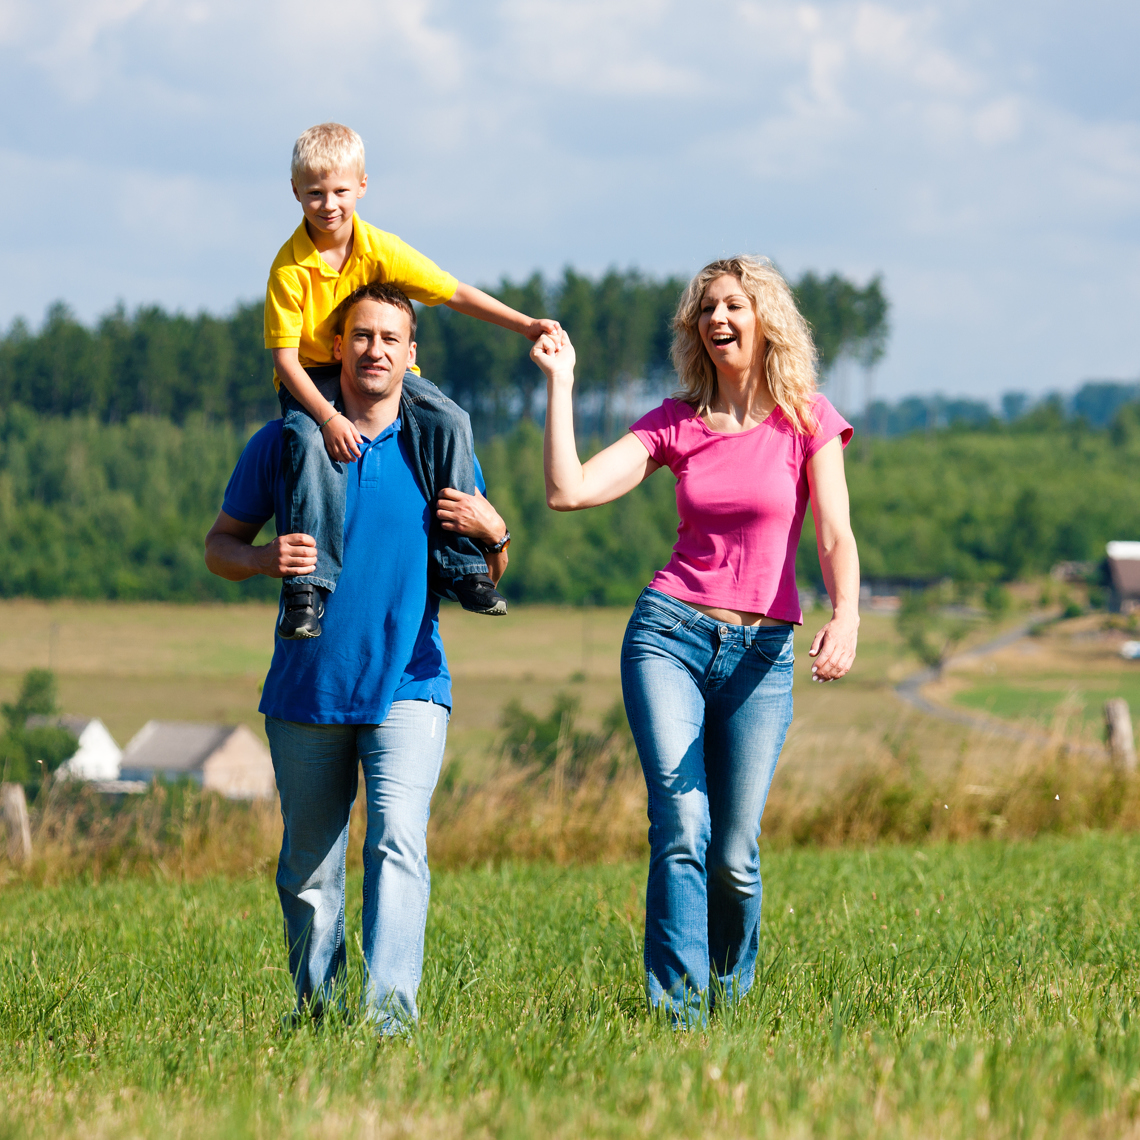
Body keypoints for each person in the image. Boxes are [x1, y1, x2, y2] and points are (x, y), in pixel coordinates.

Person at [531, 255, 860, 1024]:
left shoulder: (807, 418)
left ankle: (729, 997)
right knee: (681, 823)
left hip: (760, 655)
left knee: (735, 857)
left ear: (765, 319)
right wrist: (561, 383)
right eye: (706, 310)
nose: (717, 319)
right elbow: (568, 490)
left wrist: (845, 614)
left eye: (733, 306)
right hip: (669, 635)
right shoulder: (674, 423)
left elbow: (836, 534)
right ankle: (679, 1016)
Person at [205, 282, 511, 1033]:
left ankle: (387, 1025)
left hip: (412, 679)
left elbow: (483, 570)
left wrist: (497, 532)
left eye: (390, 339)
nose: (375, 350)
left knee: (397, 842)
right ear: (336, 348)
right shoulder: (282, 444)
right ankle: (315, 1017)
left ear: (413, 356)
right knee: (308, 871)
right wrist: (262, 559)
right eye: (361, 336)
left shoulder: (436, 443)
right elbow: (218, 548)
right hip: (308, 686)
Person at [266, 122, 554, 636]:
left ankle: (464, 565)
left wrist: (524, 324)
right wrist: (329, 417)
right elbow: (286, 361)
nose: (328, 204)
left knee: (452, 418)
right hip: (313, 376)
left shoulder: (380, 249)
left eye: (339, 191)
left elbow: (452, 292)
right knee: (306, 441)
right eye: (314, 193)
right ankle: (306, 588)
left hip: (376, 365)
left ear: (361, 186)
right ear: (295, 193)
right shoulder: (290, 270)